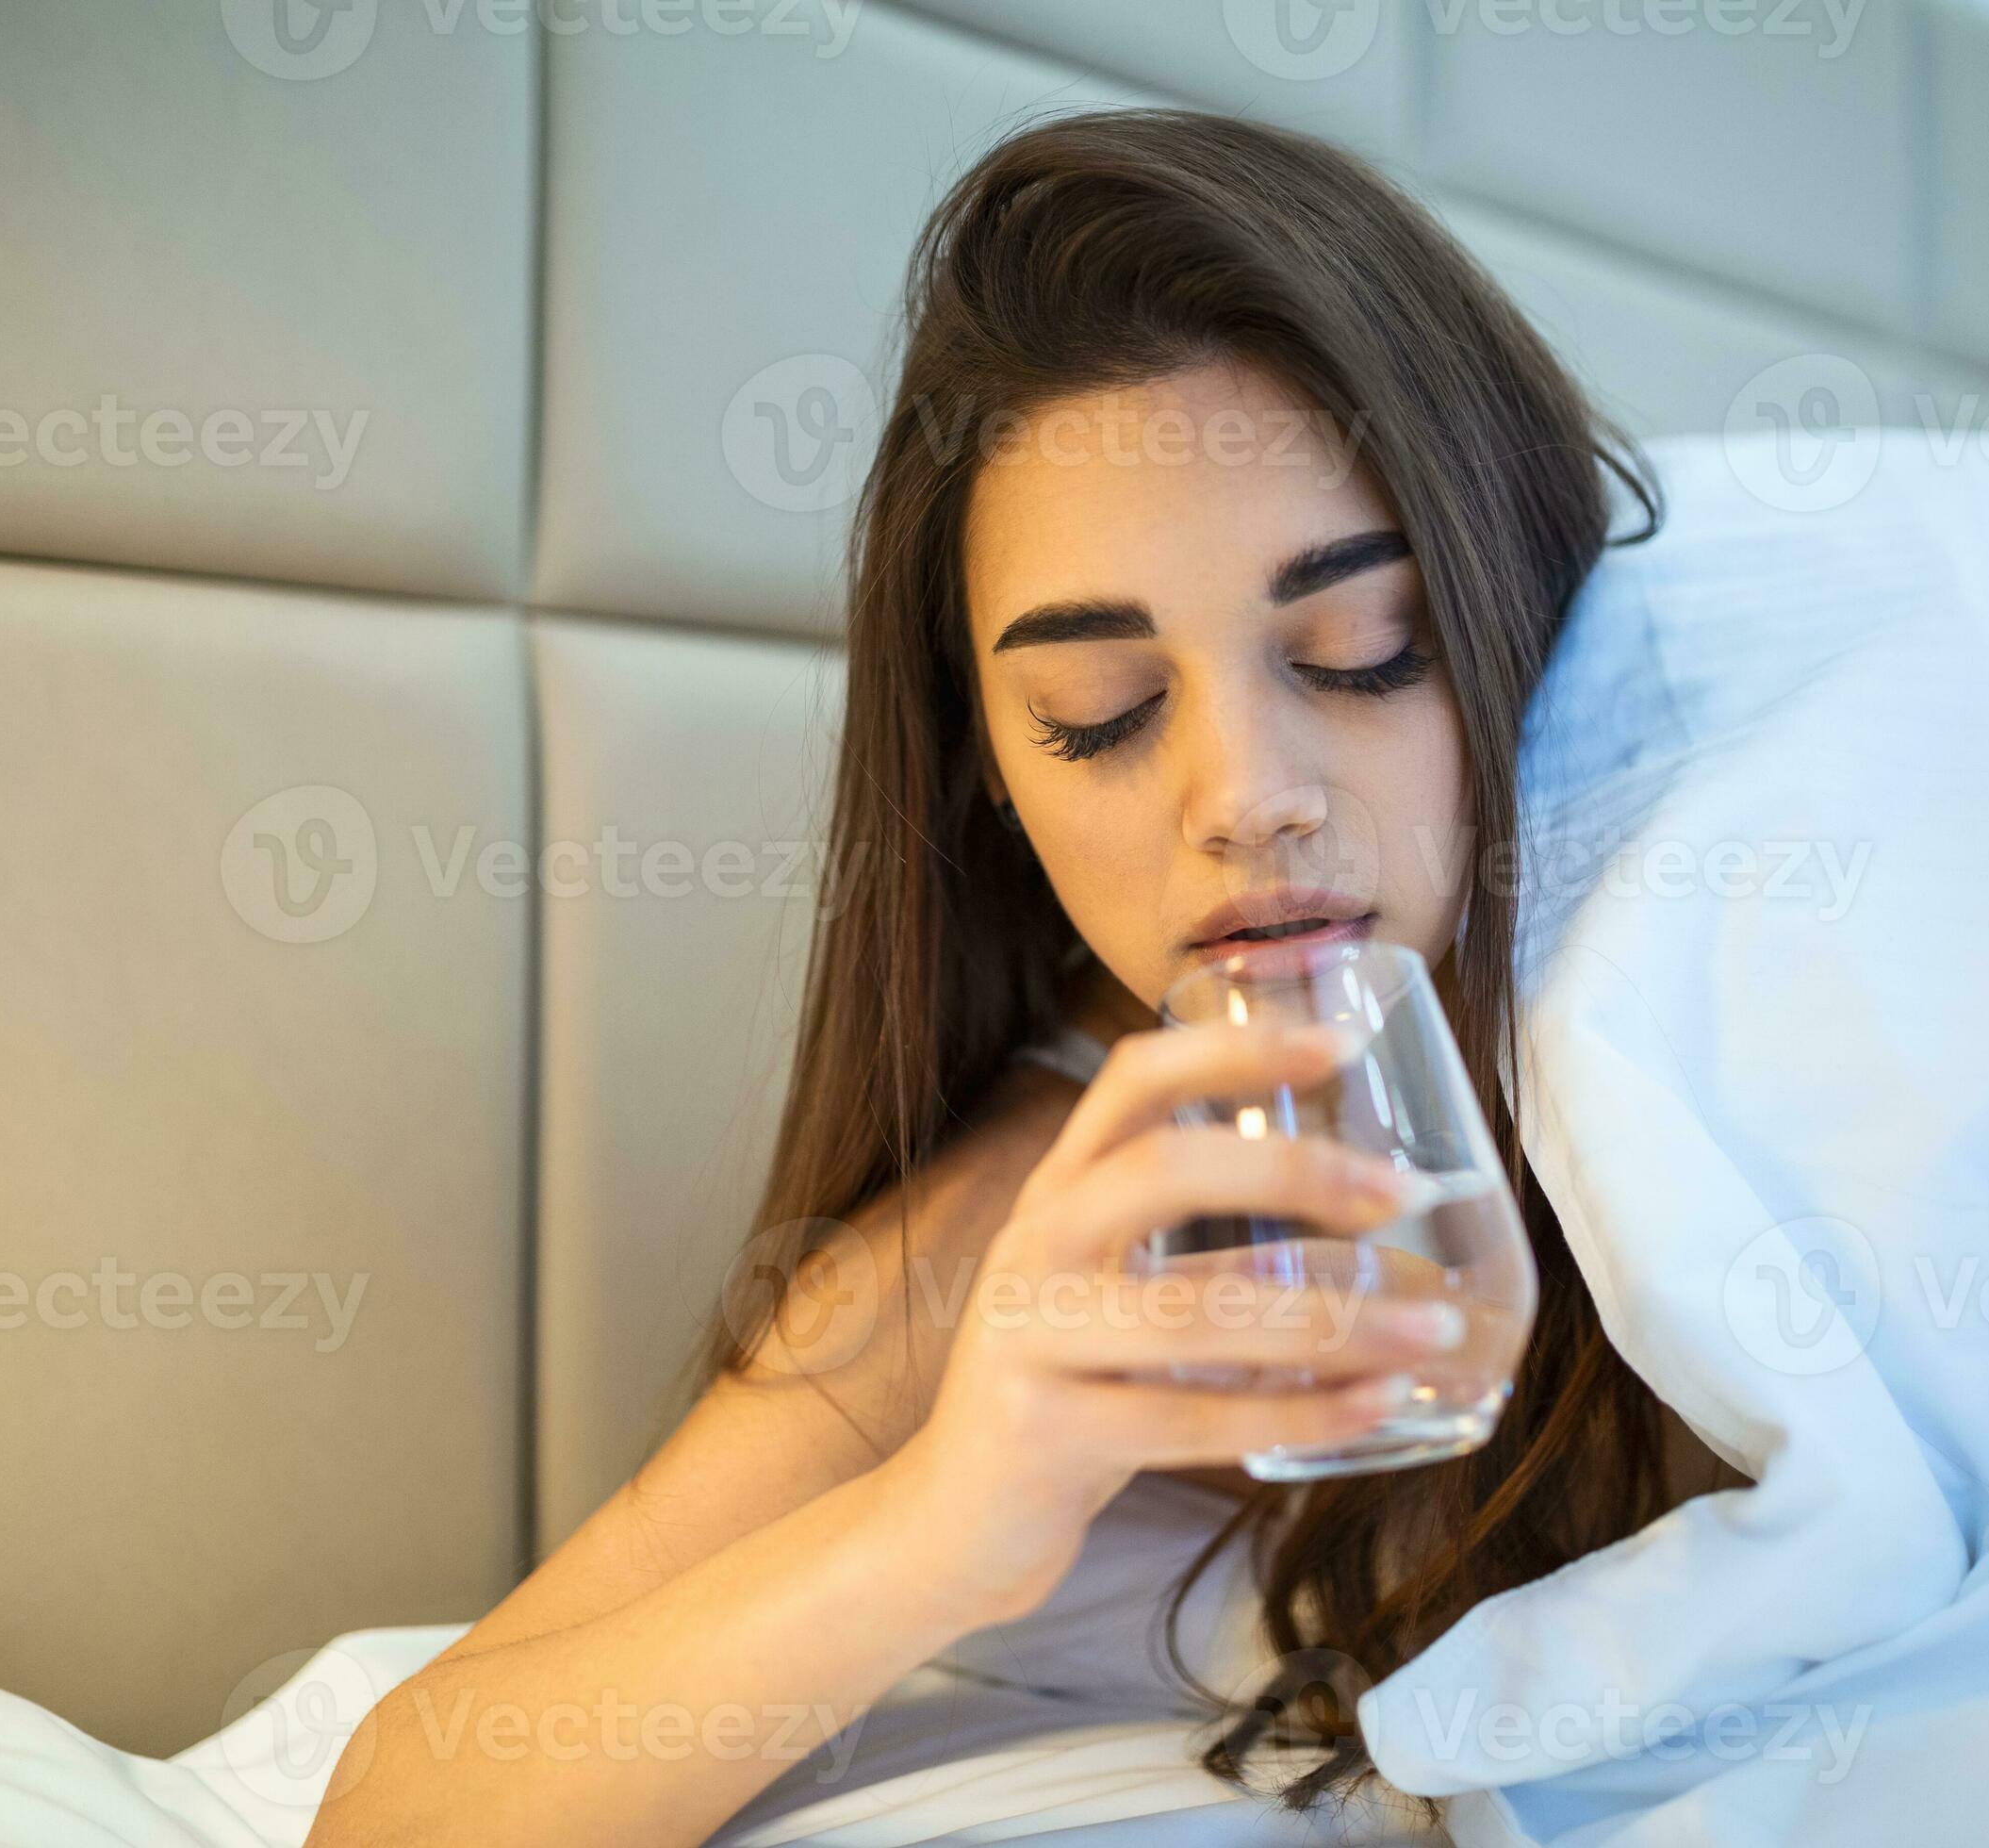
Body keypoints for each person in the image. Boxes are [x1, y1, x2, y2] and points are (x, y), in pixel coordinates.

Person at [308, 104, 1719, 1848]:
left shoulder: (1752, 981)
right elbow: (398, 1813)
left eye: (1367, 648)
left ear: (1513, 610)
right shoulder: (1016, 1227)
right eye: (1099, 714)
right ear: (989, 762)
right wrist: (949, 1521)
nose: (1245, 798)